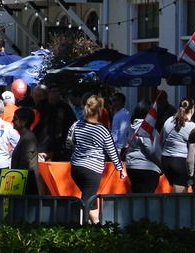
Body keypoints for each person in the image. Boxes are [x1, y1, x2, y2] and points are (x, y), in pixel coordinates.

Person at [67, 95, 125, 224]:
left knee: (88, 196)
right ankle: (83, 225)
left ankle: (95, 223)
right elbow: (112, 151)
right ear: (100, 111)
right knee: (89, 198)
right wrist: (120, 168)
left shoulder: (76, 125)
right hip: (92, 169)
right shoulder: (102, 130)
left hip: (76, 167)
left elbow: (69, 144)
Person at [122, 100, 162, 193]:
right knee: (147, 201)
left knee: (137, 197)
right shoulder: (147, 128)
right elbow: (151, 149)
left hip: (132, 166)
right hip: (148, 168)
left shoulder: (131, 127)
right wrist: (161, 164)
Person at [160, 97, 195, 192]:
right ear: (192, 110)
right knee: (180, 198)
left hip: (166, 160)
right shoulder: (192, 126)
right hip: (180, 162)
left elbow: (161, 140)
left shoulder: (168, 121)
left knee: (174, 192)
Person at [37, 84, 76, 161]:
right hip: (44, 146)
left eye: (58, 91)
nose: (56, 94)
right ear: (48, 93)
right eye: (53, 91)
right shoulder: (41, 106)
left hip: (61, 146)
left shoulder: (65, 107)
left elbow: (73, 124)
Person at [10, 107, 40, 194]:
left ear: (24, 122)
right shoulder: (24, 137)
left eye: (15, 119)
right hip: (22, 181)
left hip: (25, 184)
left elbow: (26, 162)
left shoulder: (28, 138)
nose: (12, 121)